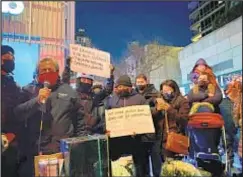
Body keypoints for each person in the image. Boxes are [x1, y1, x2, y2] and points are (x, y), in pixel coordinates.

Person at [14, 58, 84, 176]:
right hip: (35, 154)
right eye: (43, 70)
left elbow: (80, 120)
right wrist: (36, 100)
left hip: (63, 152)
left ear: (57, 72)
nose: (47, 72)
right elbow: (18, 113)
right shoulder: (28, 90)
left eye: (50, 70)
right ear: (37, 73)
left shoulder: (70, 91)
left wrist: (79, 146)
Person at [106, 75, 150, 177]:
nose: (122, 89)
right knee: (120, 166)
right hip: (118, 142)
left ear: (130, 87)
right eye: (119, 86)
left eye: (124, 86)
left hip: (136, 140)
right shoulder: (112, 100)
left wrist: (140, 129)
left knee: (139, 167)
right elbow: (107, 116)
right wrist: (108, 129)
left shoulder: (140, 99)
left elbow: (145, 118)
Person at [1, 45, 24, 177]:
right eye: (7, 56)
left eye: (12, 58)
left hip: (9, 143)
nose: (11, 60)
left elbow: (18, 113)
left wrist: (12, 134)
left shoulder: (14, 86)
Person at [135, 74, 162, 177]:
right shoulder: (134, 95)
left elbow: (159, 110)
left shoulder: (155, 94)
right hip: (139, 133)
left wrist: (144, 111)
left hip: (153, 131)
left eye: (141, 82)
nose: (139, 84)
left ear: (146, 82)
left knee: (156, 160)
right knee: (142, 161)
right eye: (138, 82)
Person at [156, 80, 190, 160]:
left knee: (175, 166)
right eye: (163, 91)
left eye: (168, 91)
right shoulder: (160, 101)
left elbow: (184, 120)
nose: (165, 93)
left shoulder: (182, 101)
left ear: (174, 90)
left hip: (175, 137)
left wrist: (169, 109)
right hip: (161, 139)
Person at [75, 65, 115, 135]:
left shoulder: (94, 97)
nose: (86, 82)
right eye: (84, 80)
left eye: (89, 80)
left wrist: (110, 74)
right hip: (75, 134)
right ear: (79, 80)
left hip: (91, 133)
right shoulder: (72, 96)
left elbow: (107, 90)